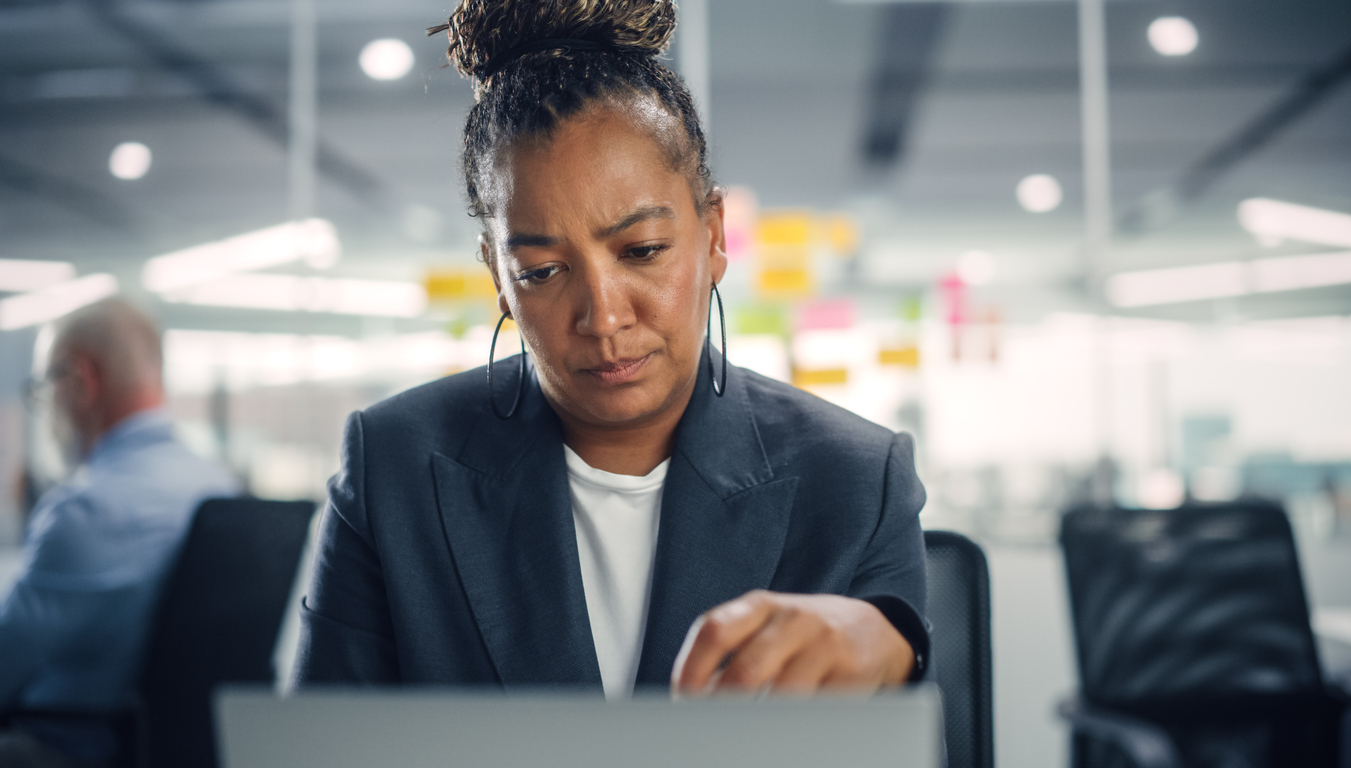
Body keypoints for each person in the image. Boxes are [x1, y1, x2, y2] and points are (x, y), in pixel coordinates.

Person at [295, 0, 930, 700]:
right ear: (498, 278)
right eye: (540, 271)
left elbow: (915, 713)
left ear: (713, 236)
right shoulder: (393, 466)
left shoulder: (855, 478)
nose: (602, 316)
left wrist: (885, 651)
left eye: (643, 250)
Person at [0, 299, 239, 768]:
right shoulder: (219, 485)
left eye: (47, 387)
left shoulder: (87, 509)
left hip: (69, 747)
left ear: (82, 379)